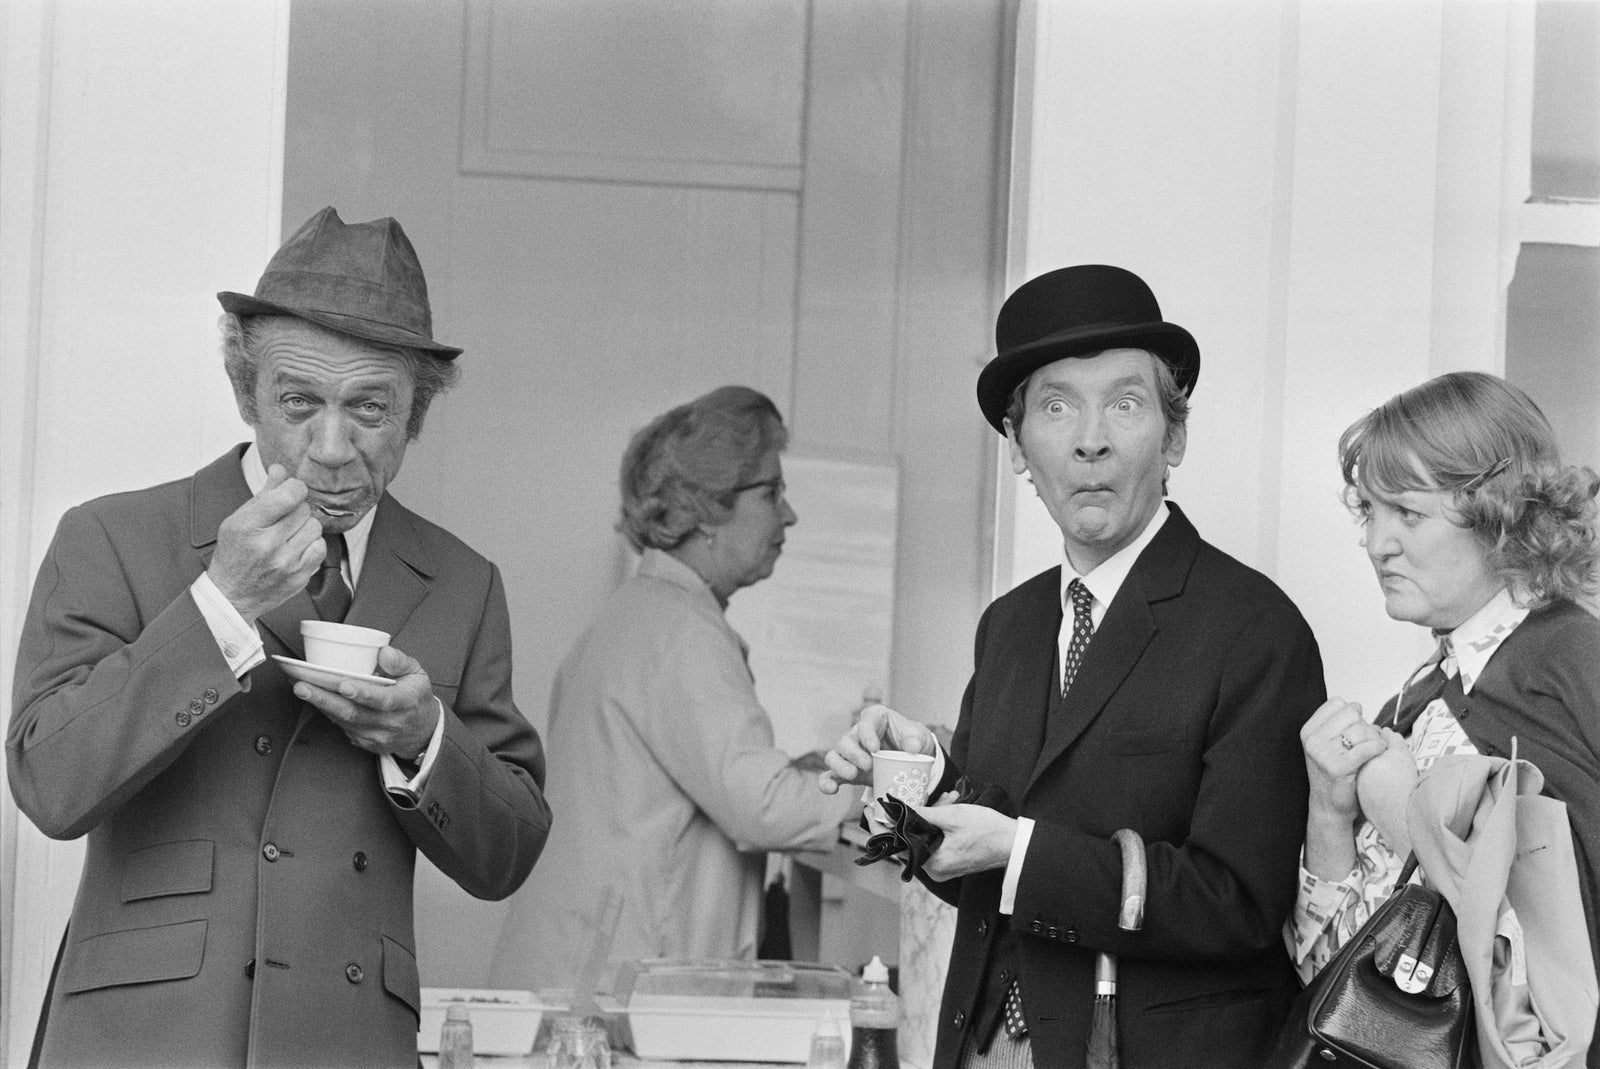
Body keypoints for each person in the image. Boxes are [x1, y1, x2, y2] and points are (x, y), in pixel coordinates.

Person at [7, 207, 552, 1069]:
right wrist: (220, 604)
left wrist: (423, 740)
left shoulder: (462, 581)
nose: (330, 448)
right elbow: (48, 782)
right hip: (143, 1042)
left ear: (416, 417)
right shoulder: (111, 537)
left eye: (369, 407)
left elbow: (509, 852)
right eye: (298, 402)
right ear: (243, 389)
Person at [822, 265, 1326, 1069]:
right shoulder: (1012, 625)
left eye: (1125, 404)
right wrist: (918, 775)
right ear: (1018, 448)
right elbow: (984, 862)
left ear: (1176, 437)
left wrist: (1017, 850)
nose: (1090, 438)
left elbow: (1241, 904)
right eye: (1056, 407)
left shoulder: (1255, 627)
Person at [488, 385, 857, 990]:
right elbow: (758, 807)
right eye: (771, 492)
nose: (787, 514)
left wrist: (802, 774)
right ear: (708, 509)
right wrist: (884, 800)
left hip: (585, 974)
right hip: (619, 992)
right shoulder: (683, 633)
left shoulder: (633, 619)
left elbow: (678, 785)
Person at [1287, 371, 1600, 1061]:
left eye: (1408, 512)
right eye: (1369, 511)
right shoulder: (1419, 694)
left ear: (1501, 511)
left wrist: (1410, 813)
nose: (1376, 544)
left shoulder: (1577, 664)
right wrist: (1329, 813)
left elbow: (1558, 971)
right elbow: (1337, 982)